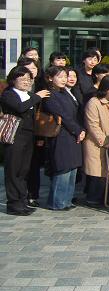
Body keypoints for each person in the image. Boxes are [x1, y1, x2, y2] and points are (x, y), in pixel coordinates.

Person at [0, 67, 50, 215]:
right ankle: (13, 203)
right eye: (22, 79)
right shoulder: (9, 94)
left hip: (28, 136)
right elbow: (20, 108)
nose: (25, 82)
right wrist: (37, 96)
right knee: (14, 170)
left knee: (24, 170)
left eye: (28, 79)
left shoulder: (28, 94)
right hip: (14, 136)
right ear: (13, 80)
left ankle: (22, 200)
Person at [41, 67, 85, 211]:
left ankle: (66, 200)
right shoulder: (50, 95)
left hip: (73, 134)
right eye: (60, 77)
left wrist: (80, 130)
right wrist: (78, 130)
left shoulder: (66, 93)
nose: (64, 79)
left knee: (72, 168)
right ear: (50, 78)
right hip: (61, 135)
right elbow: (63, 116)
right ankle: (56, 202)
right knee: (63, 169)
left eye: (65, 76)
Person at [83, 75, 109, 207]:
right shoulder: (94, 102)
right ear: (106, 86)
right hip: (96, 143)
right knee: (97, 173)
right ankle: (93, 200)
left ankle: (107, 198)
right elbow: (93, 126)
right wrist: (106, 142)